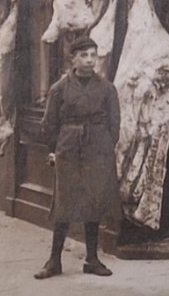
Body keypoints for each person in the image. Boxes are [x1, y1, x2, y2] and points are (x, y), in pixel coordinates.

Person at [34, 35, 121, 279]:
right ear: (73, 58)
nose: (90, 60)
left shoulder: (107, 89)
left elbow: (114, 124)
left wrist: (104, 146)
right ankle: (54, 261)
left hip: (97, 148)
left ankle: (92, 260)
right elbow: (49, 124)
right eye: (84, 55)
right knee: (64, 203)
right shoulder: (59, 88)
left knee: (94, 200)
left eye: (93, 55)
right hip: (68, 148)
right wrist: (55, 149)